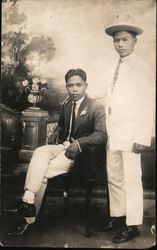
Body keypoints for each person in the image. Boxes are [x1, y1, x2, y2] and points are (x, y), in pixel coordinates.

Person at [7, 68, 107, 237]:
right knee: (40, 152)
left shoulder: (95, 107)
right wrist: (55, 133)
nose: (74, 89)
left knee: (42, 172)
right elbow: (61, 126)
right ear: (66, 86)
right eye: (70, 85)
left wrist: (79, 143)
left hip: (80, 155)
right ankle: (28, 200)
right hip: (62, 146)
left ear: (86, 86)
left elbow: (101, 135)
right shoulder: (67, 104)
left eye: (78, 85)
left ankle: (27, 218)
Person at [103, 23, 155, 243]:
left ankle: (132, 224)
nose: (120, 44)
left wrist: (143, 137)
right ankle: (119, 216)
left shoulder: (142, 67)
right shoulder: (116, 65)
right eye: (117, 40)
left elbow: (147, 103)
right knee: (114, 176)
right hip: (113, 132)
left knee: (131, 178)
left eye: (125, 39)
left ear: (135, 41)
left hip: (132, 133)